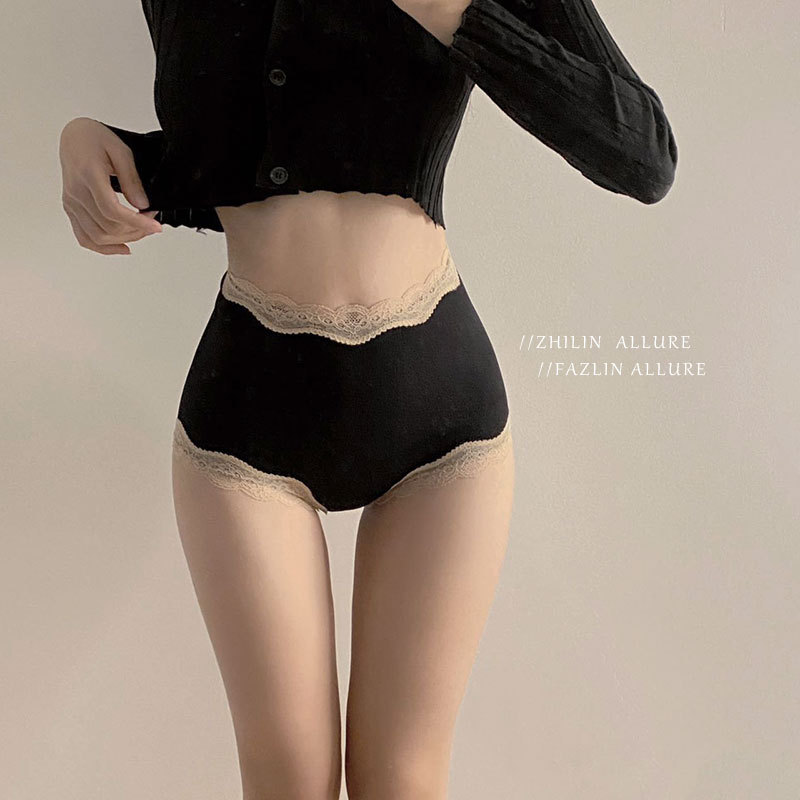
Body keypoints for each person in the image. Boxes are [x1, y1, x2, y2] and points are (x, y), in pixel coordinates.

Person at [58, 0, 677, 797]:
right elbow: (239, 165)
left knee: (402, 780)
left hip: (442, 419)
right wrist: (94, 146)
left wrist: (448, 10)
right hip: (247, 412)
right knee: (288, 781)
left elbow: (643, 155)